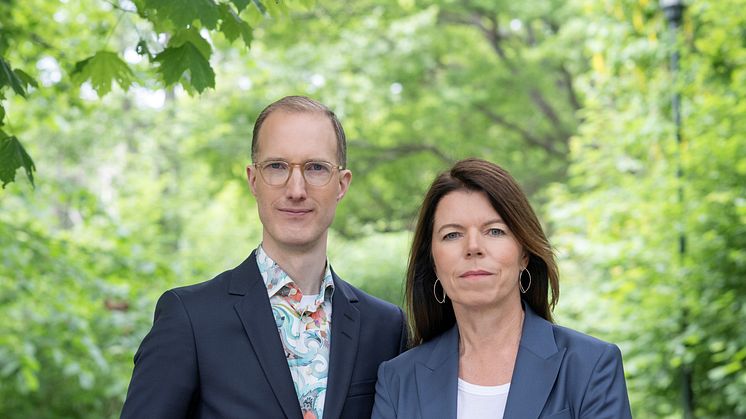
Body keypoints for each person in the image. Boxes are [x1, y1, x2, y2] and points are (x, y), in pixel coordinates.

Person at [121, 96, 408, 419]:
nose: (296, 189)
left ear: (341, 185)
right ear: (253, 180)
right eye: (276, 167)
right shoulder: (190, 319)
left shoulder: (385, 327)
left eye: (316, 168)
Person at [372, 158, 632, 419]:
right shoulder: (398, 380)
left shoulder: (590, 366)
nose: (473, 247)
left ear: (524, 254)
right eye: (452, 234)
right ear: (433, 261)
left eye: (494, 231)